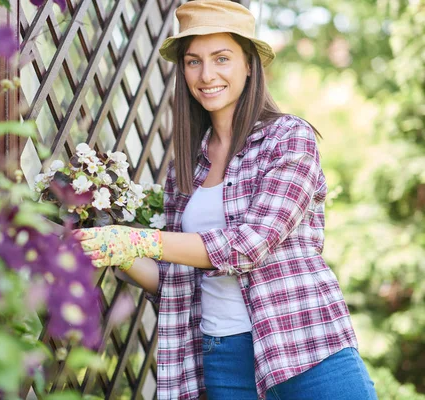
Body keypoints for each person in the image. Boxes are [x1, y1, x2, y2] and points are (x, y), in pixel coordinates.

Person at [75, 1, 377, 399]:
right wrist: (109, 247)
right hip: (223, 357)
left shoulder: (288, 138)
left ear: (249, 64)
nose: (206, 74)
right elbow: (177, 280)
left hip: (304, 344)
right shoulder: (186, 167)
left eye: (222, 58)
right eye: (193, 61)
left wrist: (137, 239)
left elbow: (251, 244)